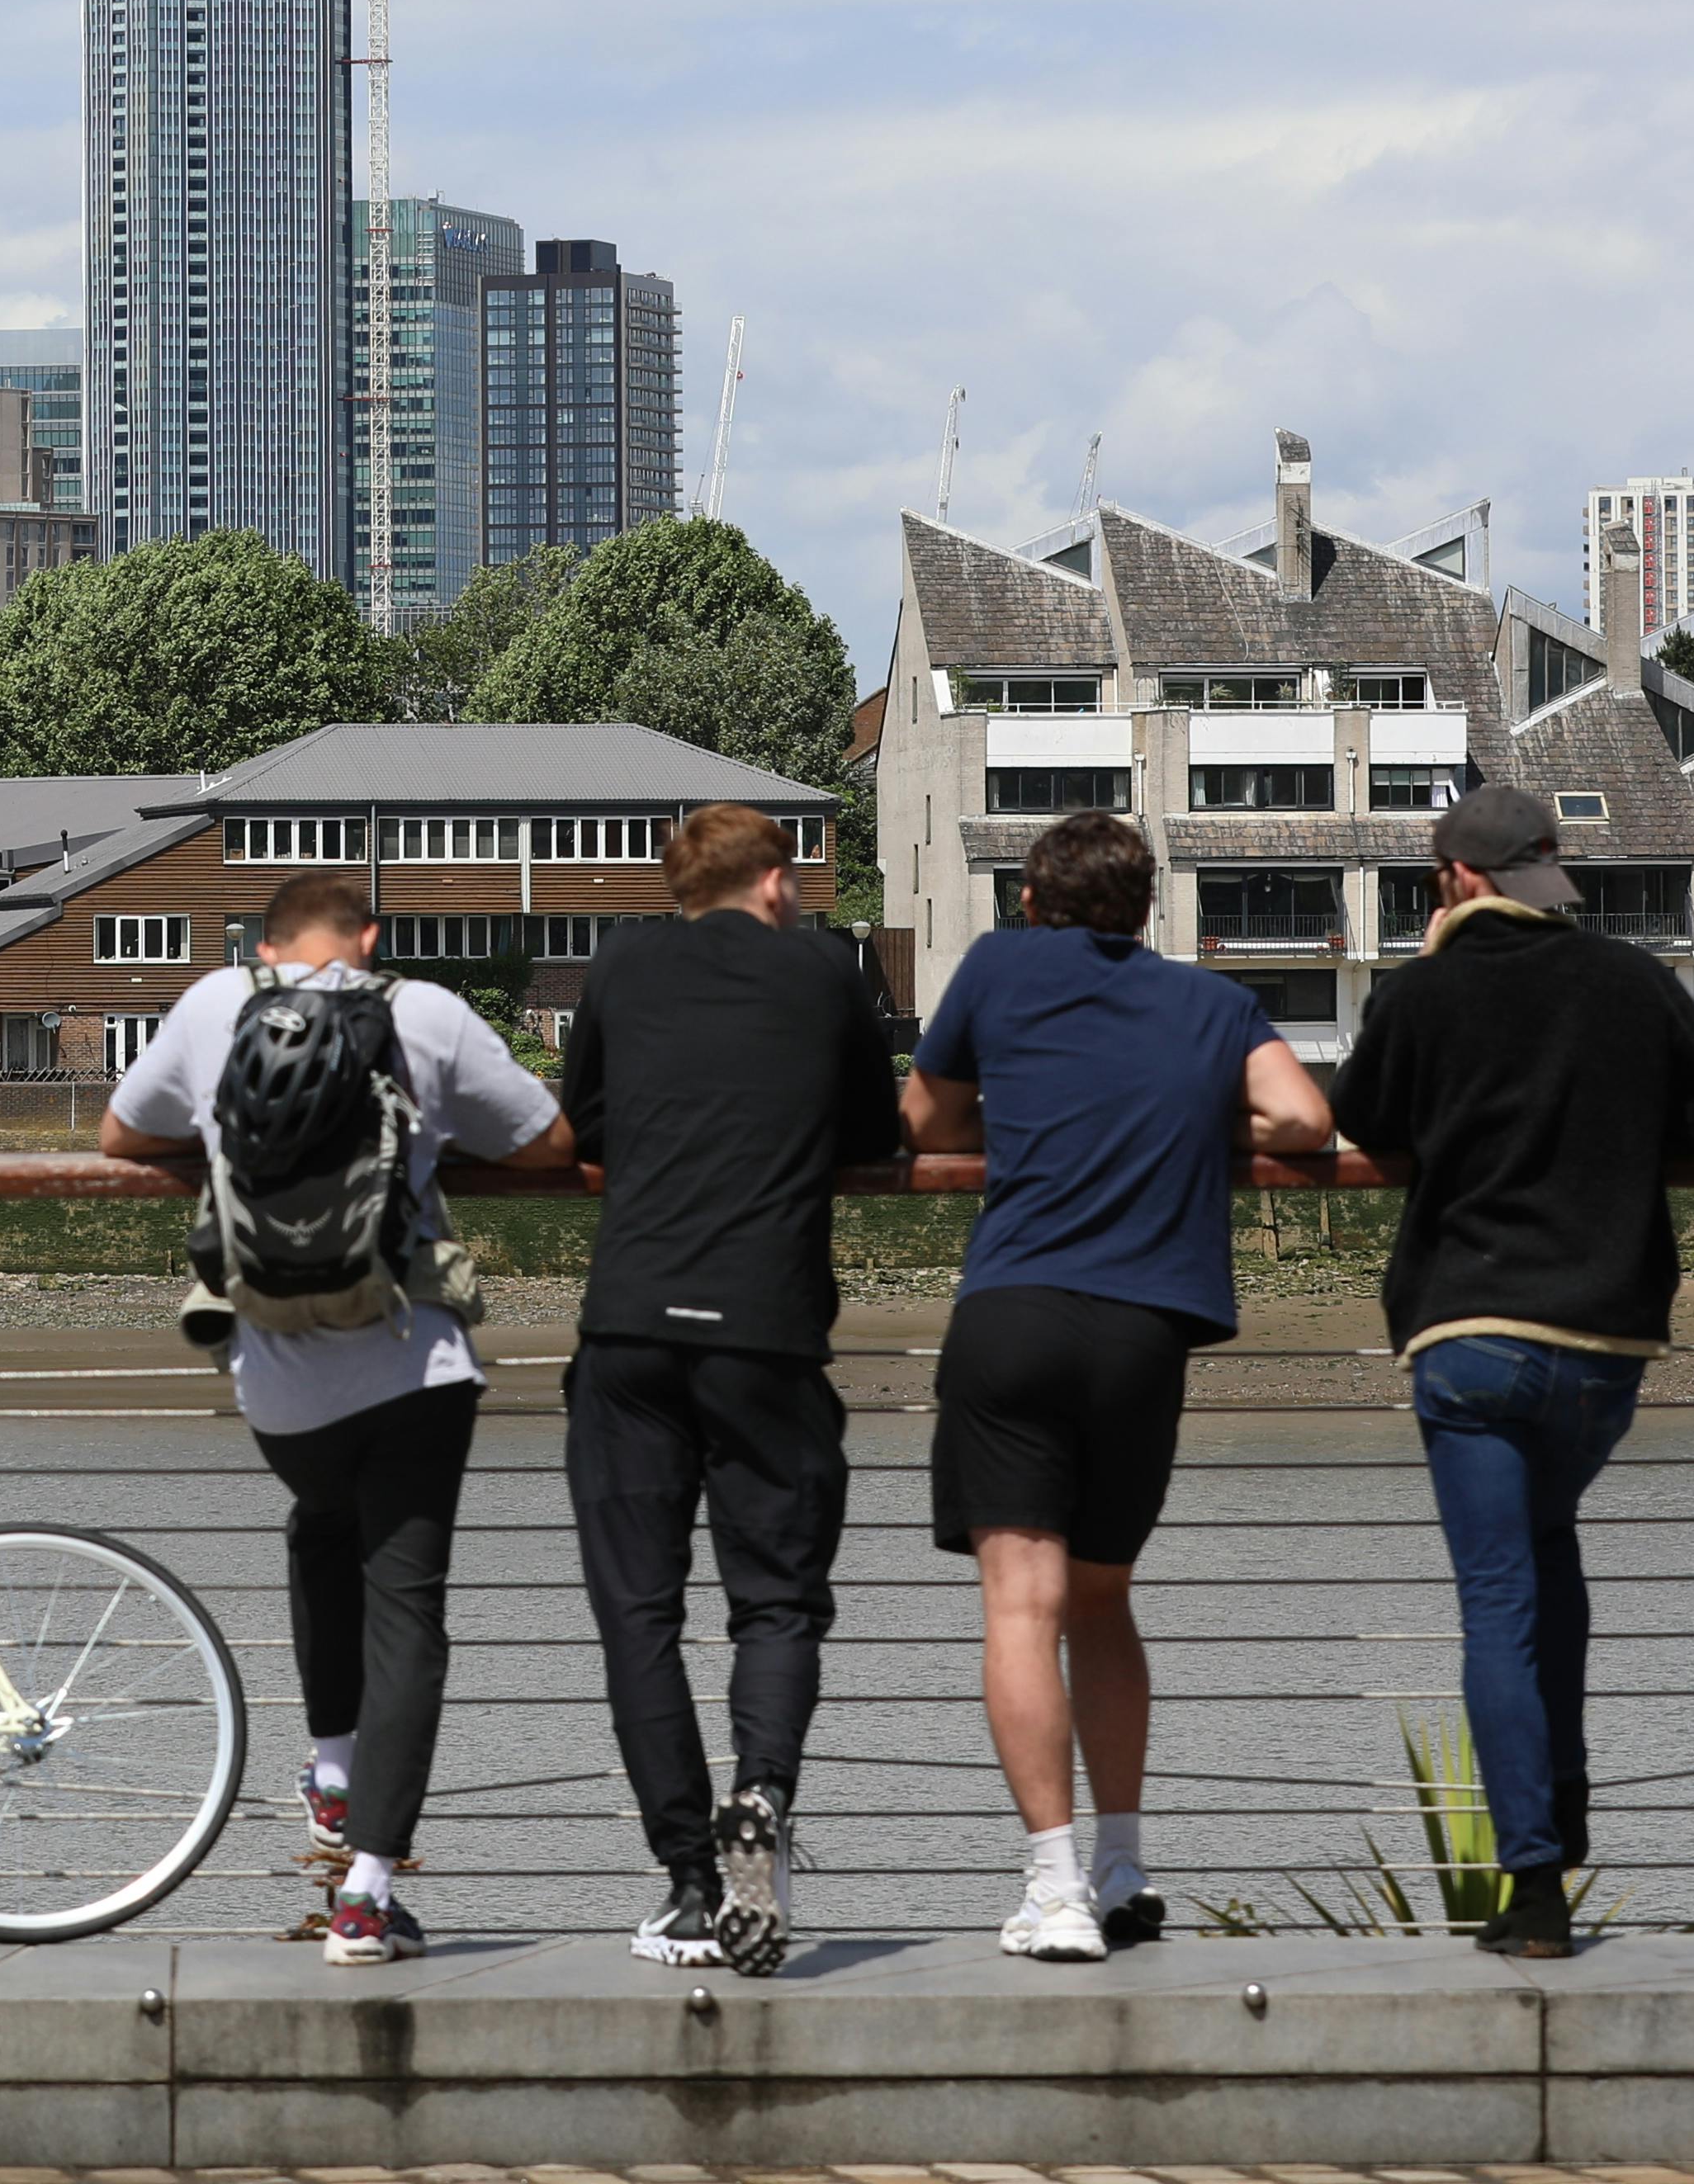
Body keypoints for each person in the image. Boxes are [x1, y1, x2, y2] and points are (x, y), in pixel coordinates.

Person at [103, 869, 569, 1969]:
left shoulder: (213, 1006)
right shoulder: (426, 1011)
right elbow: (547, 1144)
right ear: (368, 938)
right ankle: (364, 1897)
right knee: (406, 1609)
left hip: (277, 1380)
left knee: (321, 1521)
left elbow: (125, 1138)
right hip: (413, 1364)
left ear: (265, 947)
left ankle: (328, 1768)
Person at [1330, 784, 1694, 1962]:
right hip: (1603, 1347)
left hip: (1469, 1337)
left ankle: (1532, 1885)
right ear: (1547, 875)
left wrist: (1427, 972)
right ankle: (1561, 1806)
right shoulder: (1633, 982)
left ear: (1457, 879)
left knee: (1498, 1599)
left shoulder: (1425, 992)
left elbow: (1361, 1122)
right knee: (1548, 1548)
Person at [905, 808, 1336, 1963]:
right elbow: (1302, 1117)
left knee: (1020, 1609)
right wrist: (1189, 1113)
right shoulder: (1211, 1004)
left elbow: (926, 1118)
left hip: (1016, 1313)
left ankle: (1051, 1893)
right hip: (1145, 1330)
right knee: (1101, 1601)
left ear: (1032, 903)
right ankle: (1125, 1861)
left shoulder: (999, 964)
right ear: (1147, 909)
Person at [561, 799, 907, 1975]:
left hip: (630, 1327)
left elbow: (585, 1117)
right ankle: (760, 1797)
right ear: (771, 883)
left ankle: (689, 1882)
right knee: (775, 1602)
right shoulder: (823, 972)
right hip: (766, 1330)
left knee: (638, 1615)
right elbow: (874, 1124)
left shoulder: (619, 963)